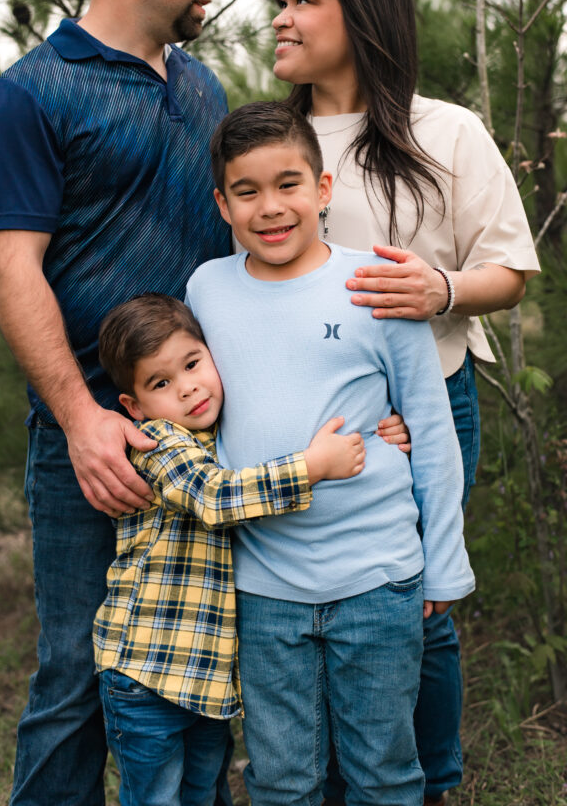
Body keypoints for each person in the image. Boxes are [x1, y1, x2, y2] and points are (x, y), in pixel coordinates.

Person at [0, 0, 232, 806]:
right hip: (97, 447)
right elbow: (12, 269)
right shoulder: (32, 96)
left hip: (207, 441)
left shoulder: (205, 88)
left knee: (209, 681)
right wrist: (81, 419)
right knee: (77, 680)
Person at [270, 0, 541, 805]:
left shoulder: (445, 131)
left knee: (419, 611)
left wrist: (440, 289)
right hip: (309, 423)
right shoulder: (274, 142)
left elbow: (509, 267)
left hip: (428, 407)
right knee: (304, 612)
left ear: (363, 15)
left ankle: (430, 787)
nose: (281, 16)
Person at [185, 101, 475, 806]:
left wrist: (441, 564)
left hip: (377, 576)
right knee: (281, 777)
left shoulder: (373, 287)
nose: (270, 207)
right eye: (246, 192)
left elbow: (430, 429)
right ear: (222, 204)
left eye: (288, 184)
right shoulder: (206, 290)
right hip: (263, 584)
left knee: (383, 770)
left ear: (322, 189)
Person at [93, 291, 366, 806]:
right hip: (147, 673)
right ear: (134, 405)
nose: (188, 387)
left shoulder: (224, 433)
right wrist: (313, 465)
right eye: (161, 382)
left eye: (193, 364)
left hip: (205, 680)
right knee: (156, 797)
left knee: (203, 791)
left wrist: (377, 428)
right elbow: (216, 496)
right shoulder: (157, 445)